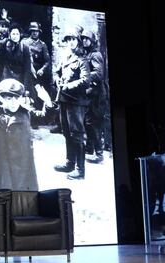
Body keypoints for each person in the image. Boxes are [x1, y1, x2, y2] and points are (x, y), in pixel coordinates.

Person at [0, 78, 38, 190]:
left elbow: (43, 117)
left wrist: (48, 103)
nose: (14, 102)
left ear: (21, 98)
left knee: (23, 194)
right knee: (2, 194)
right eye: (9, 98)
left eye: (17, 98)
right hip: (2, 162)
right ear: (1, 98)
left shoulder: (25, 112)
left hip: (23, 161)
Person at [53, 27, 90, 180]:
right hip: (63, 100)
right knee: (67, 132)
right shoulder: (66, 57)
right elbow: (57, 71)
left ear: (78, 41)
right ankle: (69, 163)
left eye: (73, 39)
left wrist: (69, 85)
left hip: (75, 102)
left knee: (77, 135)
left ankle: (80, 170)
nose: (70, 42)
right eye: (68, 40)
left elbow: (86, 80)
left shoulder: (82, 60)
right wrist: (58, 79)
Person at [82, 30, 106, 164]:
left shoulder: (96, 55)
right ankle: (89, 149)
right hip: (90, 93)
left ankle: (99, 153)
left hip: (97, 95)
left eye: (87, 39)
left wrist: (84, 77)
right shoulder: (87, 54)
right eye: (83, 39)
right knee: (88, 121)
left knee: (94, 123)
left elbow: (98, 74)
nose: (85, 41)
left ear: (92, 40)